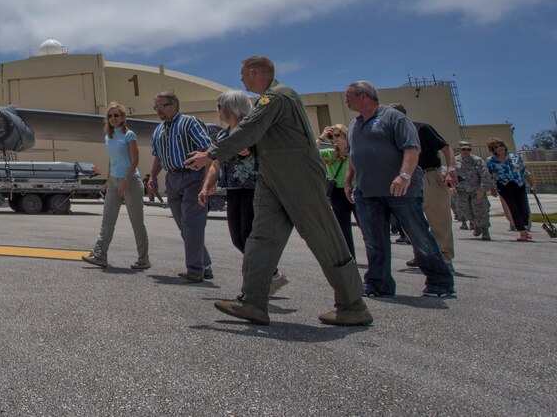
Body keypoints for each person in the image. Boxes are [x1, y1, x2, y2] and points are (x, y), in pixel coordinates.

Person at [186, 57, 370, 327]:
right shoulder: (271, 99)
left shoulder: (277, 97)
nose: (241, 80)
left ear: (252, 72)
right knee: (260, 239)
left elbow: (249, 129)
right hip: (272, 176)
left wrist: (211, 153)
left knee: (324, 237)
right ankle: (253, 302)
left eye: (242, 74)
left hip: (298, 175)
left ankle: (353, 305)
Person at [343, 82, 455, 299]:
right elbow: (354, 156)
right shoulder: (355, 124)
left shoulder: (394, 118)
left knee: (419, 236)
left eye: (349, 96)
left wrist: (404, 175)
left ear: (364, 96)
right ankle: (378, 284)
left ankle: (440, 282)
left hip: (400, 191)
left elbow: (412, 148)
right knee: (374, 241)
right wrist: (349, 181)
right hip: (367, 192)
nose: (346, 100)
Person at [198, 91, 288, 295]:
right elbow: (215, 163)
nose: (218, 112)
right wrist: (206, 186)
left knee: (249, 236)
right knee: (238, 239)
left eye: (220, 107)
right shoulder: (222, 135)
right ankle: (272, 274)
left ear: (231, 107)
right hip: (233, 190)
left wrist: (246, 148)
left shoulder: (252, 129)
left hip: (254, 189)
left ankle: (258, 283)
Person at [146, 90, 214, 283]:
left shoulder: (189, 122)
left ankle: (194, 269)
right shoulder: (158, 130)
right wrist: (152, 176)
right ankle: (204, 265)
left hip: (193, 176)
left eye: (162, 106)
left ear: (174, 106)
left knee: (192, 223)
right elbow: (158, 155)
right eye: (156, 107)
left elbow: (209, 149)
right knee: (183, 225)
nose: (158, 110)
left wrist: (209, 181)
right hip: (172, 178)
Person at [82, 103, 150, 270]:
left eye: (117, 115)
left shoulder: (129, 135)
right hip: (113, 181)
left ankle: (144, 260)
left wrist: (126, 181)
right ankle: (100, 255)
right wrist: (108, 179)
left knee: (137, 223)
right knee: (107, 221)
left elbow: (134, 161)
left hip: (130, 182)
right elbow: (112, 160)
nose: (113, 118)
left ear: (123, 118)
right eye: (111, 116)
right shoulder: (108, 137)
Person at [390, 104, 456, 268]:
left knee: (439, 220)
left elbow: (446, 148)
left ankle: (445, 257)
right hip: (406, 179)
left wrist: (450, 169)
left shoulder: (421, 128)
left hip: (429, 175)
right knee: (411, 221)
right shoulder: (390, 135)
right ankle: (421, 254)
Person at [485, 138, 536, 241]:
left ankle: (525, 228)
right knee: (514, 208)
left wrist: (532, 184)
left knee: (524, 208)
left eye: (500, 145)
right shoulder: (491, 160)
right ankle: (522, 232)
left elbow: (524, 171)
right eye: (496, 147)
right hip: (504, 186)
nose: (499, 148)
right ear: (493, 149)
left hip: (519, 184)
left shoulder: (515, 157)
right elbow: (489, 176)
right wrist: (492, 189)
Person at [319, 124, 357, 259]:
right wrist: (322, 136)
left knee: (366, 228)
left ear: (345, 135)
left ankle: (375, 260)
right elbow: (310, 151)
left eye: (337, 135)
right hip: (337, 193)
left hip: (355, 191)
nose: (334, 139)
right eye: (331, 136)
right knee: (343, 229)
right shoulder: (330, 153)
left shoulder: (354, 151)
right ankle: (350, 258)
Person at [454, 141, 494, 240]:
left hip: (476, 190)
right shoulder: (454, 161)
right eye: (464, 149)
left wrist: (483, 189)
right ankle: (477, 224)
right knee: (464, 209)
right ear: (460, 150)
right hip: (462, 191)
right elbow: (452, 175)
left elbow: (485, 175)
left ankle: (485, 231)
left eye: (468, 149)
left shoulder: (477, 160)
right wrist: (452, 187)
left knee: (481, 211)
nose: (466, 151)